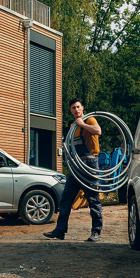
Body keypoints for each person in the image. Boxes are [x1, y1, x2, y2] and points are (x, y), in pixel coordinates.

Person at [44, 98, 103, 242]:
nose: (76, 110)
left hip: (89, 163)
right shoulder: (72, 125)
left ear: (82, 107)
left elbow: (98, 131)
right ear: (70, 110)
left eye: (78, 107)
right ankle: (60, 231)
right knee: (66, 198)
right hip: (76, 164)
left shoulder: (89, 120)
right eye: (73, 108)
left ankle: (96, 232)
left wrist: (82, 124)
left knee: (93, 199)